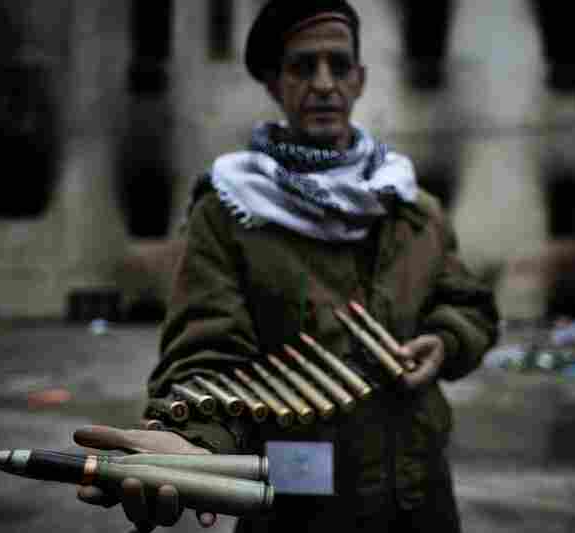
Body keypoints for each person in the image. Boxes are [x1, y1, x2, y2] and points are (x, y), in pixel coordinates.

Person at [74, 1, 499, 531]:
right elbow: (206, 353)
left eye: (339, 65)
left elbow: (468, 304)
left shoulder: (411, 206)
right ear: (275, 84)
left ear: (360, 80)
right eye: (303, 67)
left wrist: (445, 340)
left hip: (422, 498)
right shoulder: (231, 209)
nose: (324, 84)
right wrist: (193, 439)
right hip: (300, 507)